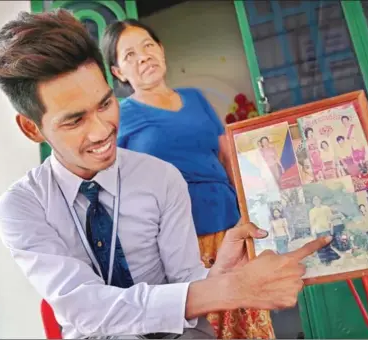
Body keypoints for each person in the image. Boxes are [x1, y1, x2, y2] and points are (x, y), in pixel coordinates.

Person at [0, 9, 331, 340]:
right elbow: (84, 308)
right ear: (32, 128)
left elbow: (186, 280)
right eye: (75, 120)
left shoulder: (162, 178)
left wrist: (219, 274)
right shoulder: (22, 207)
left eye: (106, 105)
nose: (100, 132)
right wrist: (226, 289)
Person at [101, 19, 275, 339]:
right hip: (176, 245)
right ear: (118, 72)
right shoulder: (120, 117)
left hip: (229, 230)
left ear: (162, 50)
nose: (143, 57)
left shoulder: (196, 98)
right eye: (129, 55)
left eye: (148, 46)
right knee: (200, 330)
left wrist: (253, 213)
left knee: (248, 325)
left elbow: (227, 156)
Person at [308, 196, 340, 265]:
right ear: (313, 202)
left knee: (329, 245)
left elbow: (330, 218)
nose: (316, 201)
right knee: (321, 247)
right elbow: (312, 223)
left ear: (320, 200)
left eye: (317, 199)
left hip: (326, 229)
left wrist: (331, 228)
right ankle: (325, 262)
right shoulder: (312, 211)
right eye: (315, 200)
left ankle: (332, 260)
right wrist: (313, 232)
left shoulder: (326, 208)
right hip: (318, 231)